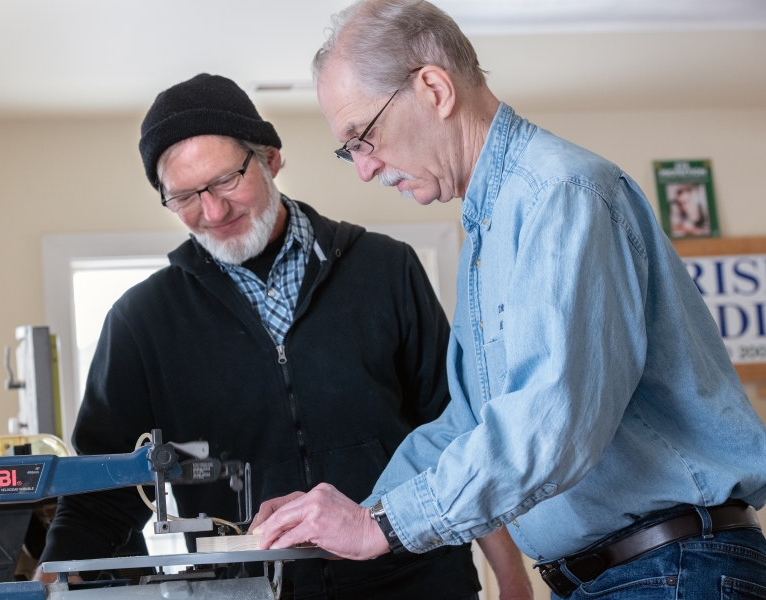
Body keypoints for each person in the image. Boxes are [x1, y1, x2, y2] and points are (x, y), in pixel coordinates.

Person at [252, 2, 766, 598]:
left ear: (434, 88)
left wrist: (381, 525)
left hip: (669, 570)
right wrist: (348, 516)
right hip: (617, 576)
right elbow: (468, 424)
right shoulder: (489, 232)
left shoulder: (561, 195)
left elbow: (551, 422)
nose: (364, 169)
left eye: (362, 137)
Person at [36, 73, 532, 600]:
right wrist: (47, 584)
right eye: (184, 196)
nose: (212, 211)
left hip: (420, 583)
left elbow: (456, 434)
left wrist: (510, 575)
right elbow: (102, 493)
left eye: (226, 180)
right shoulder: (141, 322)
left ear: (270, 159)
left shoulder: (387, 270)